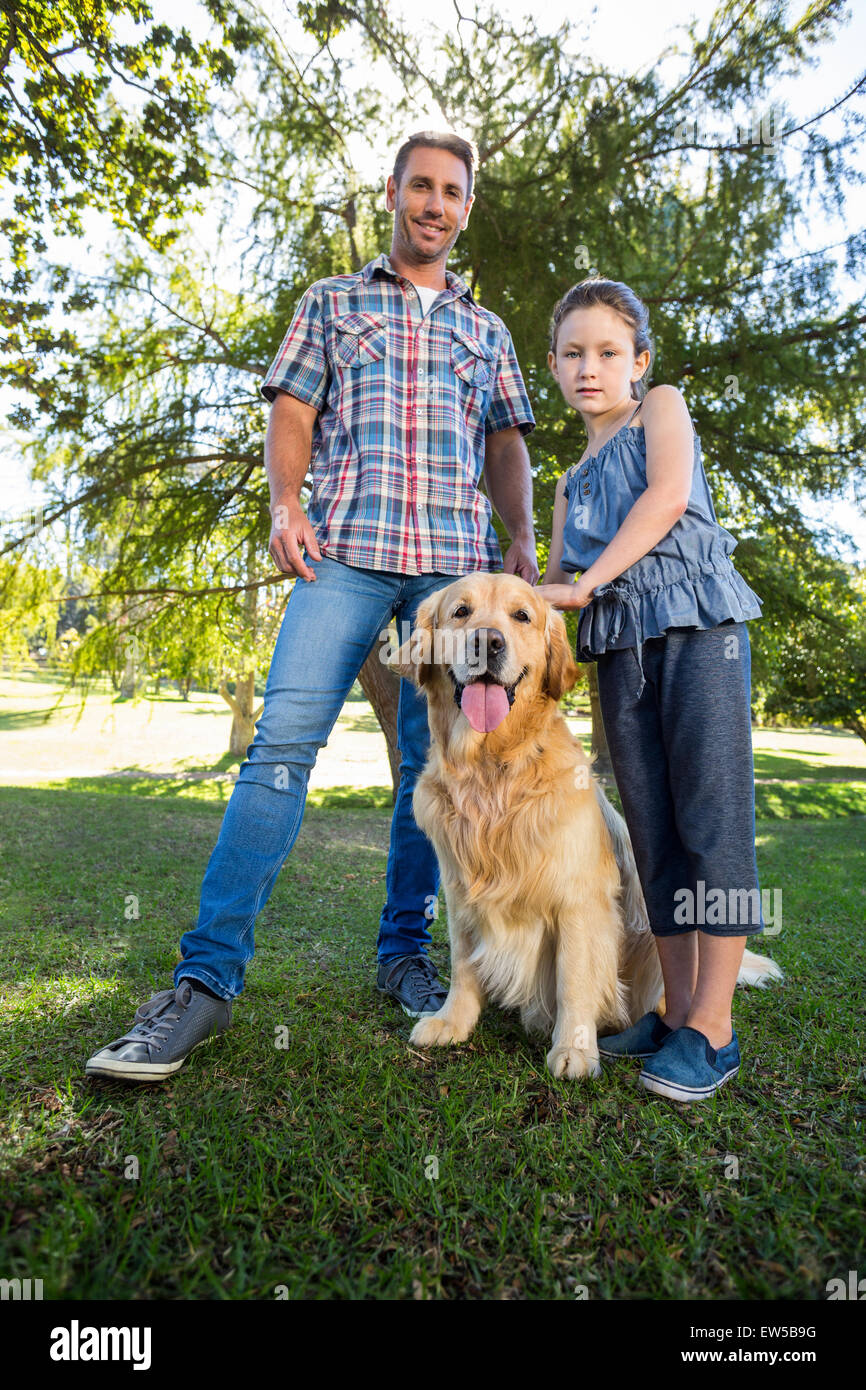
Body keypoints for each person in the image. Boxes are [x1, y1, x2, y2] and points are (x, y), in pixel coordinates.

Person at [86, 131, 538, 1082]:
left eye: (453, 193)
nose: (436, 205)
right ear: (392, 193)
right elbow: (292, 410)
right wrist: (284, 502)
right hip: (347, 556)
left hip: (453, 579)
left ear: (466, 209)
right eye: (422, 186)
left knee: (440, 767)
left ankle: (405, 956)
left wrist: (521, 540)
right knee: (284, 745)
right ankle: (204, 985)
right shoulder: (331, 304)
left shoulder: (486, 331)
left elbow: (505, 444)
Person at [536, 277, 765, 1103]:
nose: (588, 367)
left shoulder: (659, 409)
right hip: (620, 653)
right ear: (555, 368)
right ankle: (671, 1010)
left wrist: (586, 583)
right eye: (572, 353)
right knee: (652, 831)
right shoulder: (568, 483)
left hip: (699, 633)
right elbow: (554, 583)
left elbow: (667, 501)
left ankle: (714, 1027)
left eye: (606, 352)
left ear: (638, 362)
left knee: (712, 817)